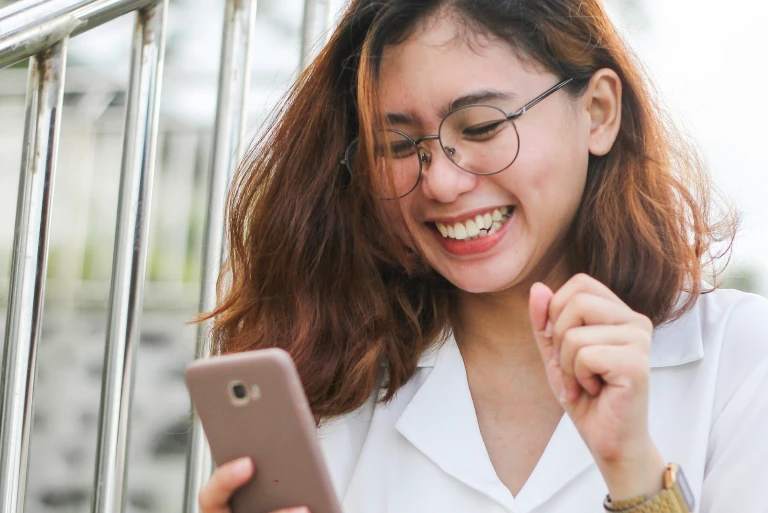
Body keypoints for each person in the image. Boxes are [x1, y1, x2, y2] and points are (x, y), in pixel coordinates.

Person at [197, 0, 768, 512]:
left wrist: (638, 479)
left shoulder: (741, 358)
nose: (441, 182)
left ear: (597, 111)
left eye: (483, 126)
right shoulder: (327, 380)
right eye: (399, 145)